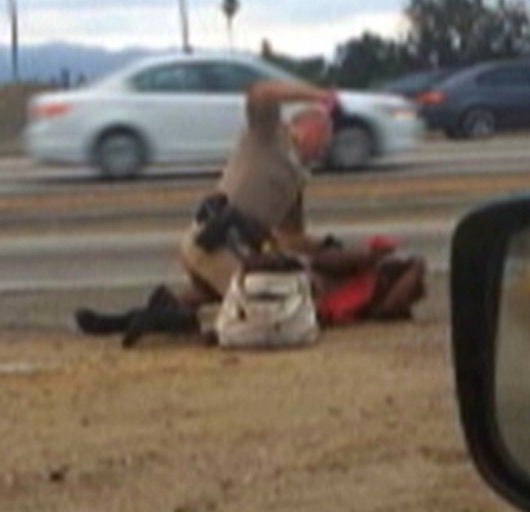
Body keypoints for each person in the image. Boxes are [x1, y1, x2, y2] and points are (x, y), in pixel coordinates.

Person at [76, 80, 425, 346]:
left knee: (211, 296)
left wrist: (346, 251)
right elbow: (261, 93)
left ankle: (123, 320)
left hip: (234, 251)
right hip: (212, 241)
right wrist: (316, 93)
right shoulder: (267, 137)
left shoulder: (297, 178)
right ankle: (169, 321)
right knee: (264, 312)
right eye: (326, 137)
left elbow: (292, 238)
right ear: (308, 127)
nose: (328, 147)